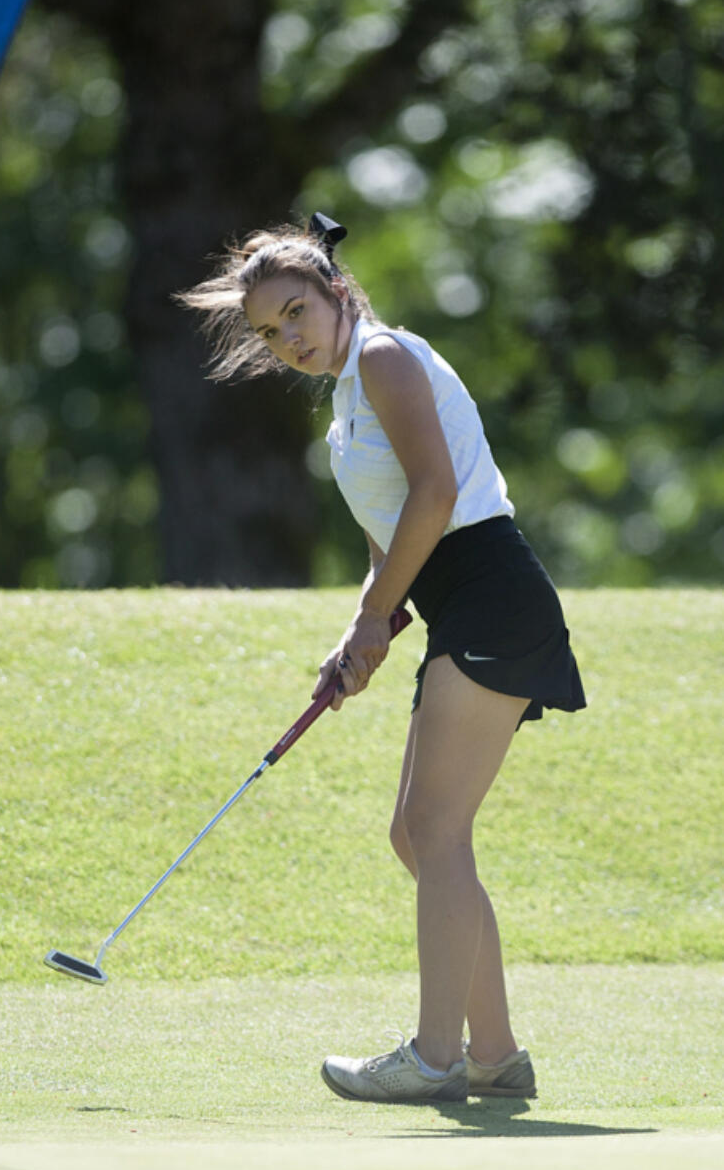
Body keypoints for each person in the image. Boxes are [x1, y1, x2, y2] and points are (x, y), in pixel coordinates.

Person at [176, 213, 585, 1104]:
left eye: (297, 313)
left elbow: (438, 493)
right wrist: (360, 629)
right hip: (460, 603)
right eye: (270, 332)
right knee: (419, 834)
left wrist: (373, 619)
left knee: (435, 831)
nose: (289, 339)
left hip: (493, 591)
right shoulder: (348, 402)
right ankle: (495, 1054)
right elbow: (392, 538)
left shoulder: (386, 358)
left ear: (337, 291)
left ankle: (437, 1057)